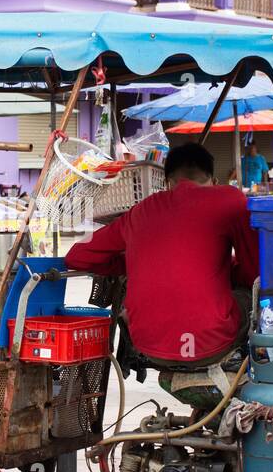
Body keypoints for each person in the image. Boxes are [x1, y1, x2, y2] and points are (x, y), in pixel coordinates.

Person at [65, 143, 259, 368]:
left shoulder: (140, 211)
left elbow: (78, 256)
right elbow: (254, 271)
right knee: (250, 295)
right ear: (214, 182)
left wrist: (132, 264)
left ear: (167, 183)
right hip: (212, 344)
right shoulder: (230, 199)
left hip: (149, 347)